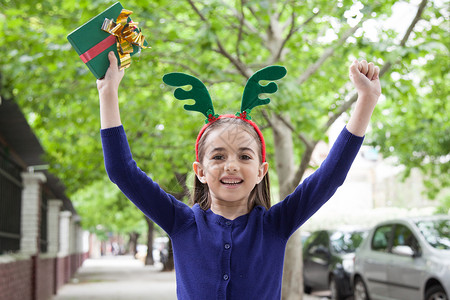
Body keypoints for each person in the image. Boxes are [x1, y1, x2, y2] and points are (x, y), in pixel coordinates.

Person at [97, 51, 381, 299]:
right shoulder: (182, 223)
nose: (231, 165)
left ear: (261, 171)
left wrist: (366, 100)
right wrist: (108, 91)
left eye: (244, 156)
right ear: (200, 171)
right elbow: (122, 171)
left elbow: (329, 177)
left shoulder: (275, 225)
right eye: (218, 156)